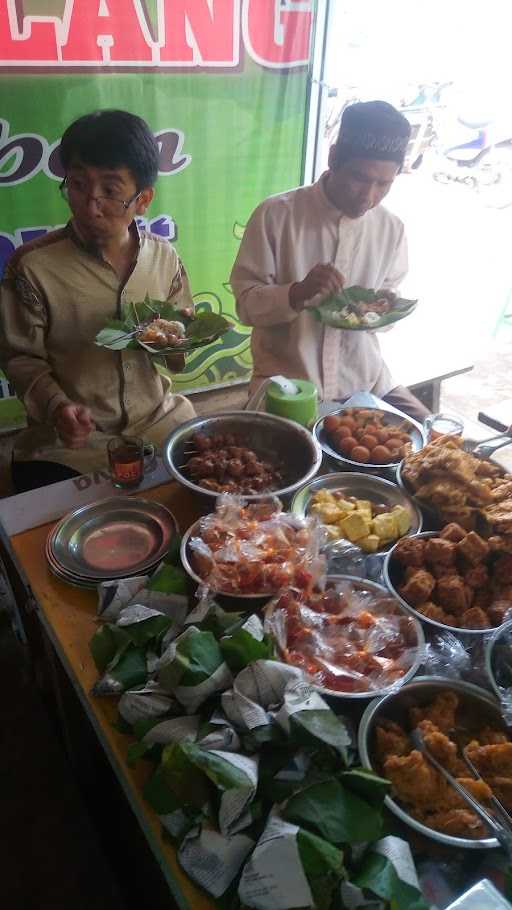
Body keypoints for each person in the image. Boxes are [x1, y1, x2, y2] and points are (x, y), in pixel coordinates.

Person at [0, 109, 196, 492]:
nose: (91, 205)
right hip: (73, 440)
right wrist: (58, 407)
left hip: (158, 419)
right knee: (42, 512)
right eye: (77, 185)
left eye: (110, 190)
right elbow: (20, 359)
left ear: (143, 199)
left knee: (208, 480)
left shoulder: (164, 258)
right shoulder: (34, 266)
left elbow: (176, 352)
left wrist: (179, 337)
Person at [230, 100, 429, 422]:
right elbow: (246, 306)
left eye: (384, 184)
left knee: (439, 440)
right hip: (286, 387)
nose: (369, 196)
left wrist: (383, 307)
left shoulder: (391, 228)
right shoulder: (277, 215)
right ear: (334, 157)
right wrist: (296, 293)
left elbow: (387, 317)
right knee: (285, 464)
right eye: (360, 178)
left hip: (368, 382)